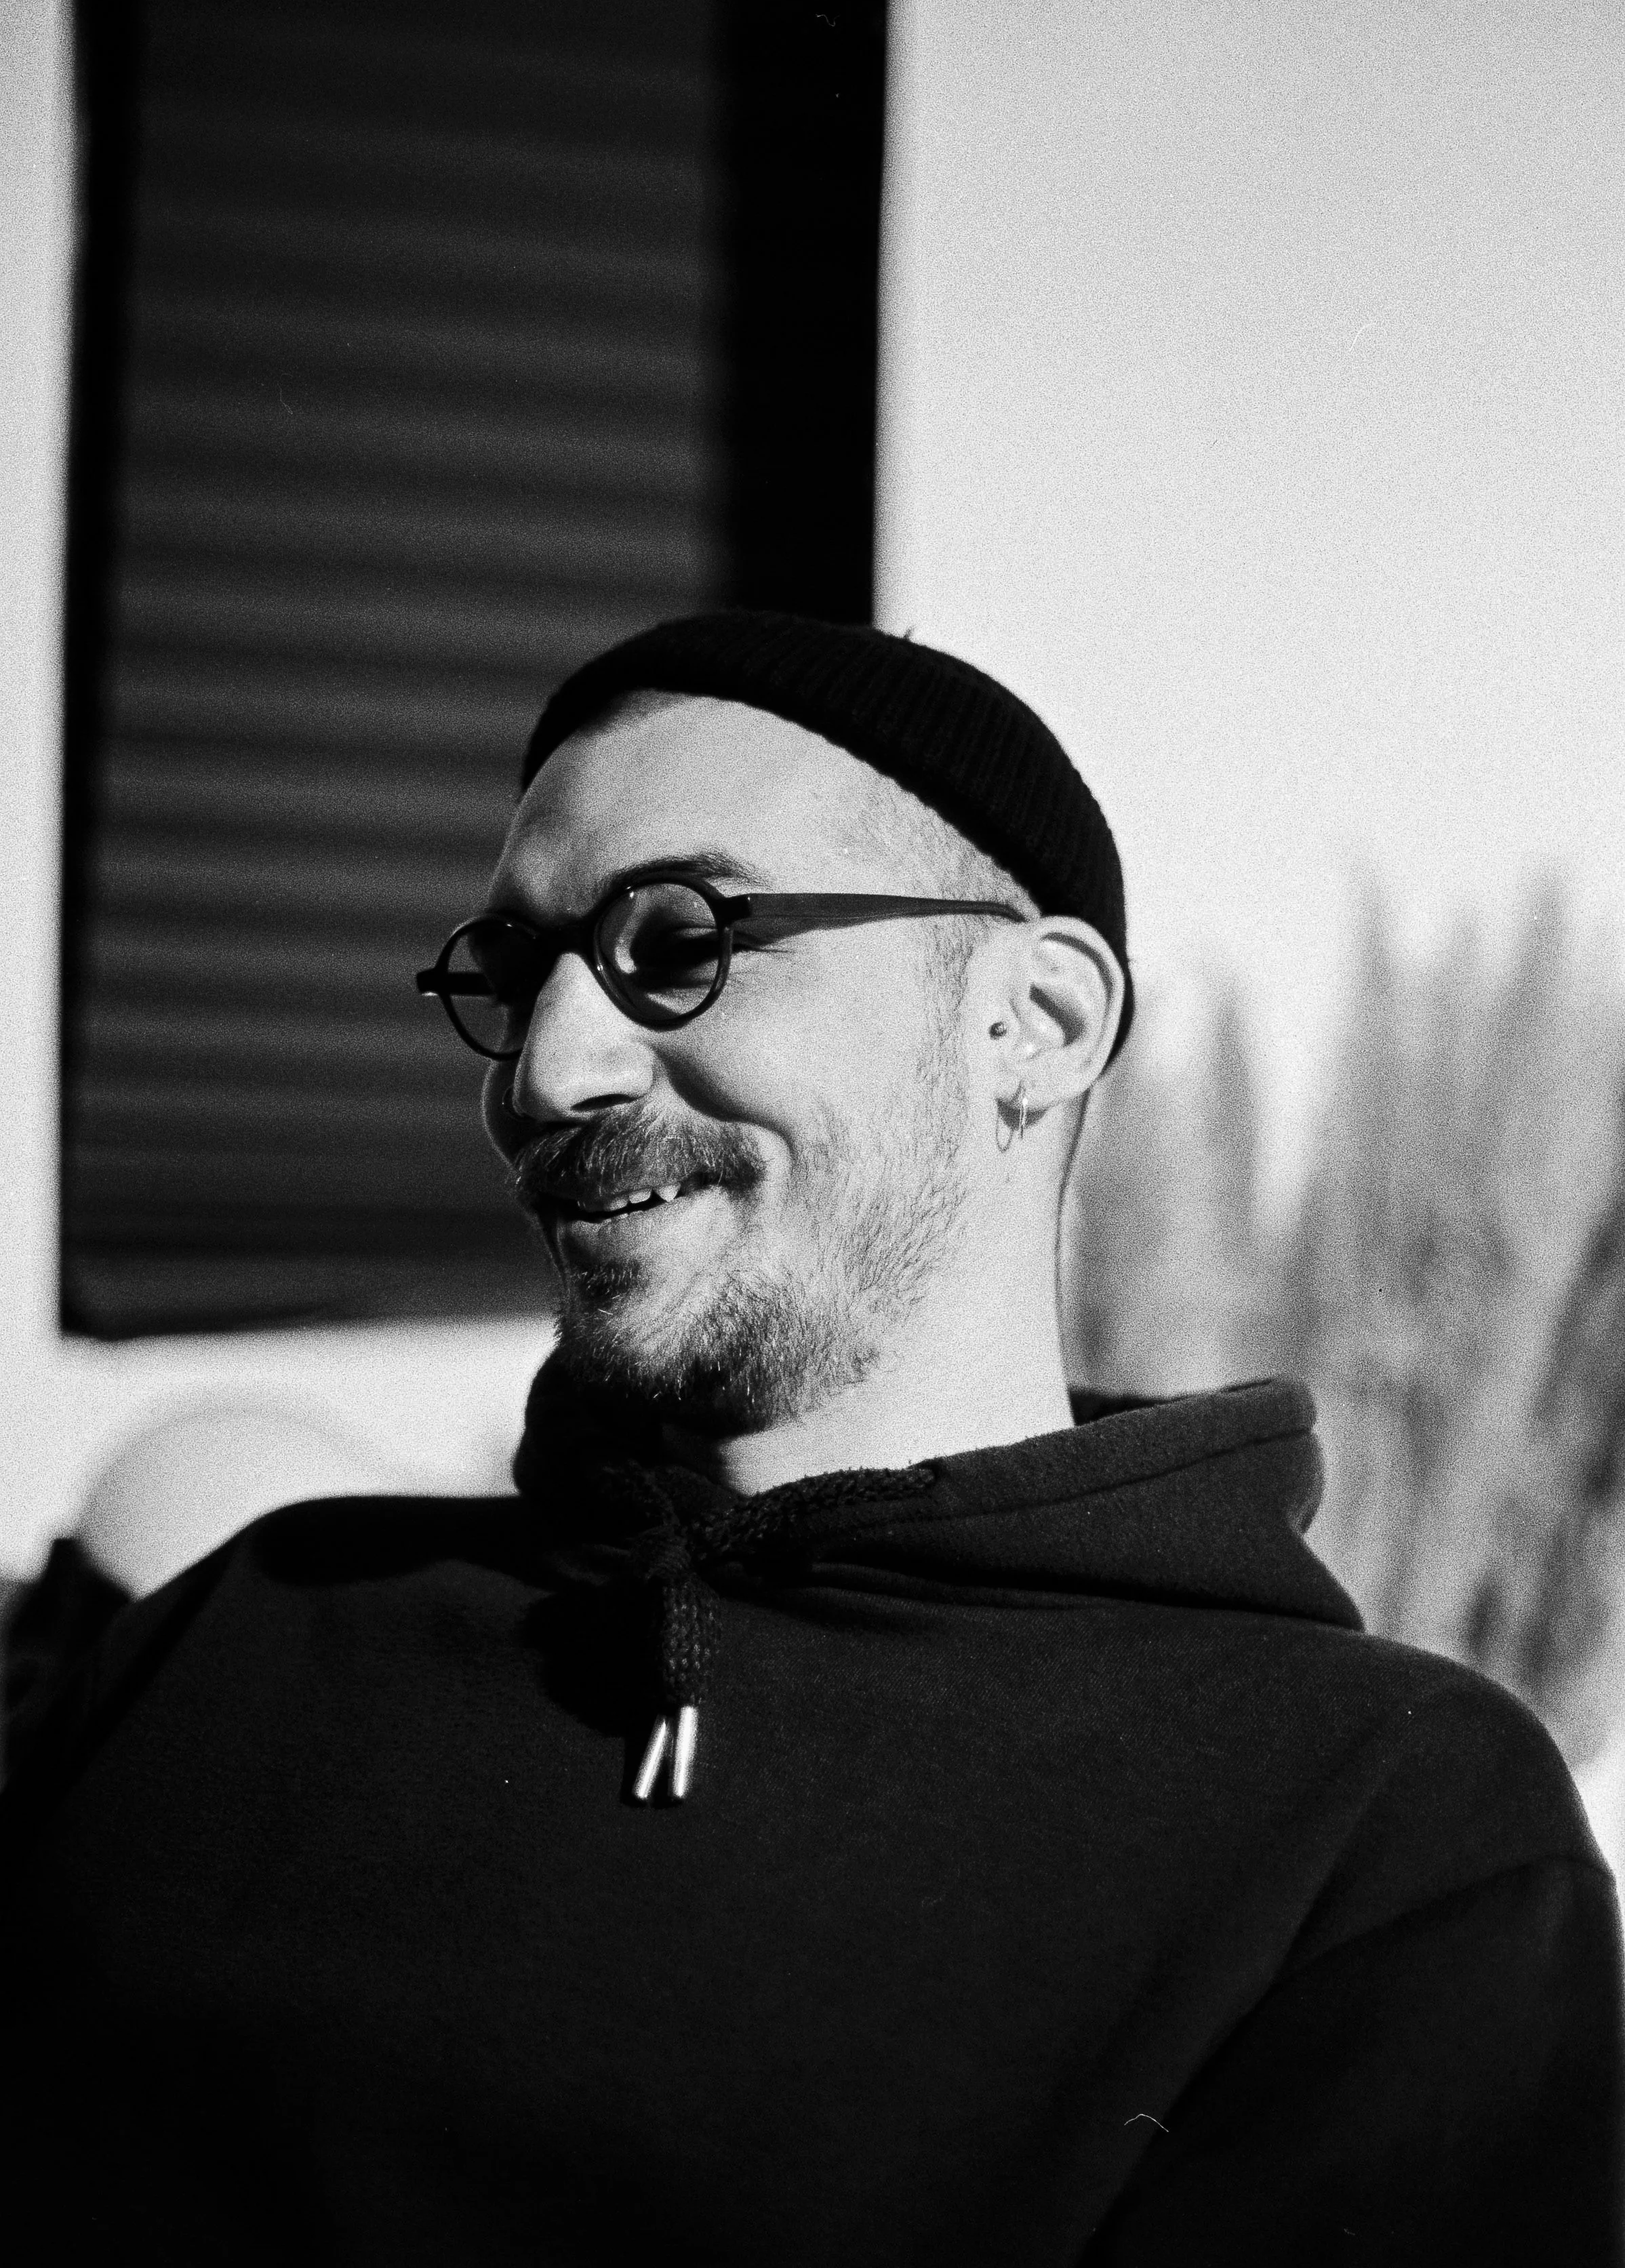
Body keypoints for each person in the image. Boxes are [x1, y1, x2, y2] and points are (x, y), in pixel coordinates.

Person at [2, 608, 1620, 2263]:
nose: (548, 1071)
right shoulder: (244, 1630)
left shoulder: (1375, 1828)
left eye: (677, 941)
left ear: (1034, 1024)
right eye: (508, 976)